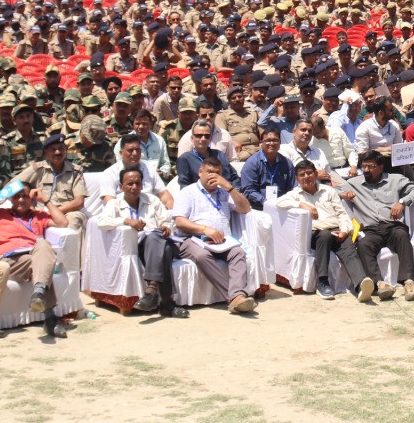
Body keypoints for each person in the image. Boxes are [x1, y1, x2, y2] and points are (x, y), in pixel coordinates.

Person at [0, 183, 71, 337]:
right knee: (43, 264)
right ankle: (50, 317)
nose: (21, 200)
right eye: (16, 196)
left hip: (30, 258)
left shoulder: (38, 216)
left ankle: (39, 293)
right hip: (6, 261)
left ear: (32, 198)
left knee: (42, 245)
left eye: (25, 196)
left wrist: (45, 200)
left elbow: (63, 222)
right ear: (10, 199)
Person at [94, 163, 184, 318]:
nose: (134, 187)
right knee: (165, 250)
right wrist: (126, 221)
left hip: (156, 243)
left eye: (137, 183)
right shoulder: (115, 203)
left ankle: (151, 291)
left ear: (142, 185)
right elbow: (101, 222)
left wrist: (165, 227)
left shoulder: (152, 200)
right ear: (121, 186)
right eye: (129, 184)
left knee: (157, 238)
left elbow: (166, 221)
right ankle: (166, 304)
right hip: (136, 247)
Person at [171, 152, 256, 314]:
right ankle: (234, 297)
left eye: (217, 173)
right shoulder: (188, 192)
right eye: (209, 172)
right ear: (200, 172)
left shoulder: (224, 192)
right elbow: (180, 221)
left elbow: (245, 208)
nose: (213, 176)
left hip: (222, 240)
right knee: (202, 256)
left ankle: (237, 294)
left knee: (238, 252)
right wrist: (204, 229)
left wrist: (229, 187)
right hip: (193, 239)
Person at [337, 150, 414, 303]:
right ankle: (380, 283)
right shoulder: (354, 183)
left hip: (392, 226)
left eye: (371, 166)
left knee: (402, 237)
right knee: (363, 245)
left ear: (381, 167)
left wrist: (402, 202)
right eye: (364, 166)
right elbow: (331, 191)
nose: (366, 170)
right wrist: (343, 194)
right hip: (369, 229)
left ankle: (409, 282)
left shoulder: (395, 179)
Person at [276, 161, 355, 299]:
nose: (306, 177)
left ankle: (361, 283)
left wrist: (344, 230)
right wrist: (301, 204)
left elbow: (342, 213)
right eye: (302, 175)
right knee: (324, 235)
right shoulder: (296, 194)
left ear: (316, 174)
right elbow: (279, 202)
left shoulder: (328, 190)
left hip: (335, 230)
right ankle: (322, 282)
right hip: (316, 234)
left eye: (309, 173)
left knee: (348, 244)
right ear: (297, 179)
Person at [238, 129, 296, 208]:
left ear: (280, 143)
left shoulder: (287, 163)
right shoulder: (252, 163)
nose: (271, 143)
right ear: (261, 143)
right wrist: (266, 202)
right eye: (268, 140)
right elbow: (249, 190)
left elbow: (292, 188)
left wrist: (284, 202)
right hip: (258, 208)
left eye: (275, 140)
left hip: (282, 207)